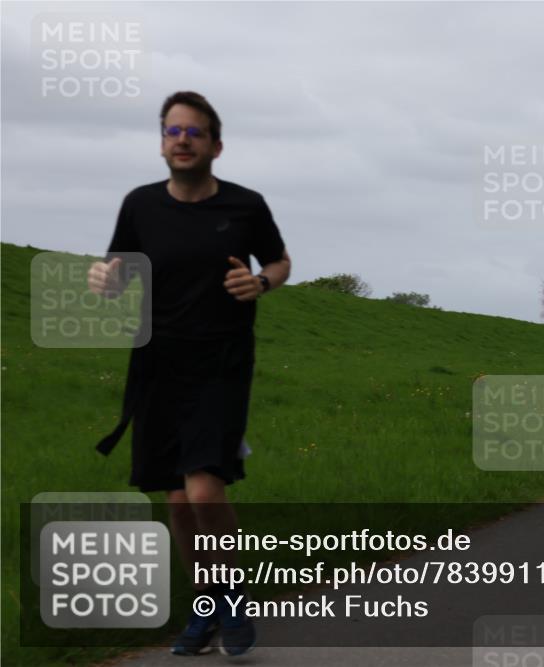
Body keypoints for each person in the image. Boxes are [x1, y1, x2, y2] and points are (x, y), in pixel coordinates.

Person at [88, 91, 291, 657]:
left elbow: (279, 260)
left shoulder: (246, 206)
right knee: (177, 501)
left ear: (216, 146)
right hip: (157, 364)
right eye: (172, 131)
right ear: (161, 143)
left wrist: (262, 282)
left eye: (194, 132)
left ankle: (232, 597)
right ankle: (206, 608)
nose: (181, 139)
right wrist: (106, 280)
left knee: (203, 488)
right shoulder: (140, 205)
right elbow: (120, 270)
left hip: (221, 363)